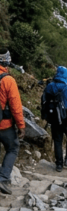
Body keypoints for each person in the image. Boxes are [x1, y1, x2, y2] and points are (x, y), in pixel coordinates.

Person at [42, 66, 67, 172]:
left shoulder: (49, 86)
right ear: (66, 75)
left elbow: (44, 100)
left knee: (57, 140)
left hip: (54, 118)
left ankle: (59, 164)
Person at [0, 51, 23, 194]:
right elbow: (15, 106)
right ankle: (2, 179)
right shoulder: (8, 80)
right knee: (13, 148)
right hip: (4, 124)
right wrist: (21, 126)